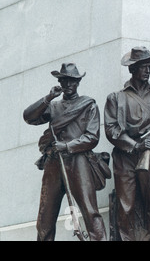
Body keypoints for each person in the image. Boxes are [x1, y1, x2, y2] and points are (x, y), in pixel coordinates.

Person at [23, 63, 107, 241]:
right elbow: (29, 117)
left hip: (79, 162)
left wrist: (68, 146)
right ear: (60, 82)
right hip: (53, 163)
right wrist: (48, 97)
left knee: (90, 212)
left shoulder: (88, 104)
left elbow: (92, 137)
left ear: (78, 82)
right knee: (45, 217)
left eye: (73, 81)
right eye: (65, 81)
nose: (69, 84)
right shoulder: (53, 106)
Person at [104, 47, 150, 240]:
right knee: (126, 204)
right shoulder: (116, 98)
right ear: (132, 69)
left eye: (149, 66)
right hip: (126, 155)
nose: (148, 70)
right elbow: (111, 130)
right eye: (143, 66)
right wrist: (135, 146)